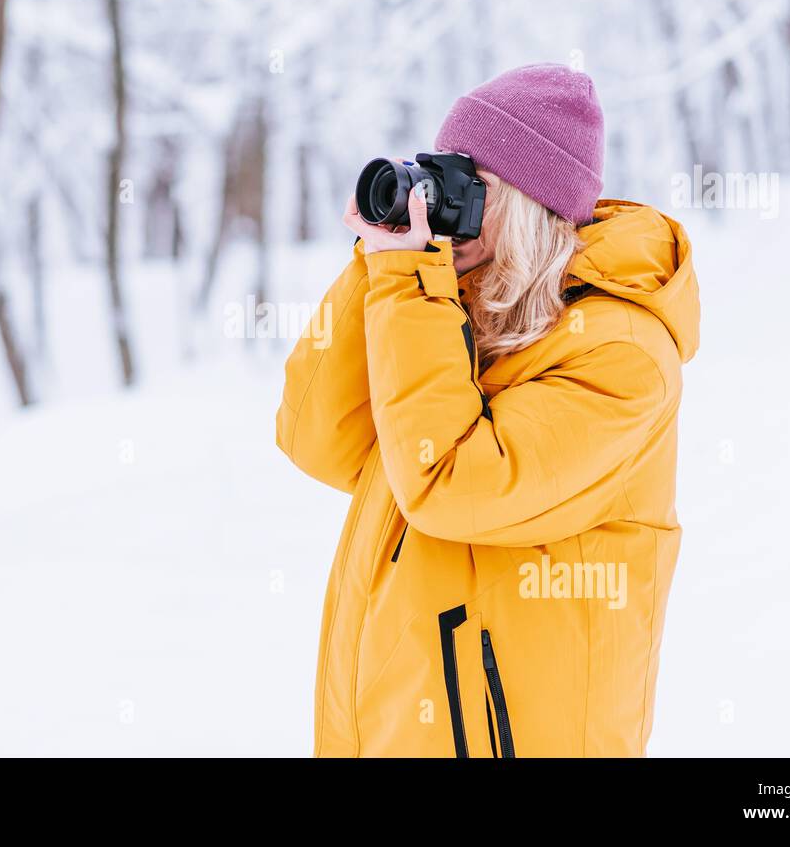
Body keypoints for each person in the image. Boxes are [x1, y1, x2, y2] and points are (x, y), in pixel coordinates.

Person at [276, 64, 700, 757]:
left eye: (471, 185)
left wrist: (408, 284)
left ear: (534, 203)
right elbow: (317, 436)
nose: (442, 204)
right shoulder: (459, 310)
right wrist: (378, 264)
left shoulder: (623, 354)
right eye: (442, 174)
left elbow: (447, 481)